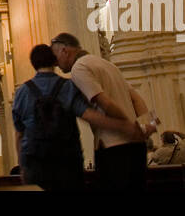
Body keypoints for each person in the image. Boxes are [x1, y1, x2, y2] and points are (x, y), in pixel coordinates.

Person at [12, 43, 147, 191]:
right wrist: (123, 126)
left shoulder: (22, 92)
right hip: (67, 163)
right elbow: (90, 116)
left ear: (33, 64)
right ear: (54, 61)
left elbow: (19, 134)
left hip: (35, 163)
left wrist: (22, 166)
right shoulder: (67, 86)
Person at [52, 32, 156, 190]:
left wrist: (128, 127)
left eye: (55, 56)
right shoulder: (107, 64)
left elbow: (105, 103)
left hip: (113, 148)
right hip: (136, 147)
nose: (56, 63)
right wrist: (146, 125)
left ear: (65, 50)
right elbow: (136, 98)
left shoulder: (79, 68)